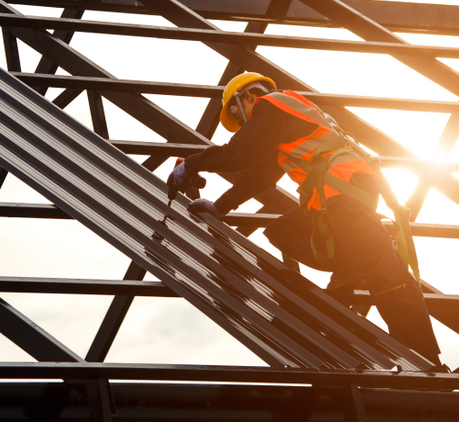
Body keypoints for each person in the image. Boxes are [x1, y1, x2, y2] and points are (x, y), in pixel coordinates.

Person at [167, 72, 443, 365]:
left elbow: (240, 153)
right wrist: (220, 206)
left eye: (236, 113)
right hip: (337, 198)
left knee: (387, 275)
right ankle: (355, 260)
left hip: (343, 194)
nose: (241, 123)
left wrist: (191, 166)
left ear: (247, 95)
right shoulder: (288, 116)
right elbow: (260, 176)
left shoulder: (270, 104)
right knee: (282, 230)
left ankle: (428, 361)